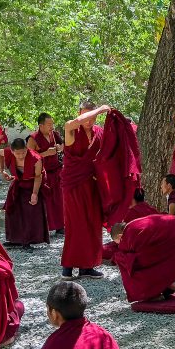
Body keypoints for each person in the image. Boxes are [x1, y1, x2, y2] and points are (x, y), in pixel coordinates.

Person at [61, 103, 109, 280]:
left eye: (93, 117)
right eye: (85, 115)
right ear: (79, 114)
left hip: (92, 184)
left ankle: (87, 267)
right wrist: (100, 110)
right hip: (73, 185)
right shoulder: (70, 128)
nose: (90, 120)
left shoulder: (99, 132)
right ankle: (67, 267)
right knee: (76, 224)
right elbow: (77, 122)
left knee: (93, 224)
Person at [111, 214, 175, 303]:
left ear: (120, 236)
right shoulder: (134, 224)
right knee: (155, 262)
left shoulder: (128, 234)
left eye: (118, 243)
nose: (120, 245)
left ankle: (152, 293)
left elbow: (139, 262)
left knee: (130, 263)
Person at [0, 138, 49, 247]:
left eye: (23, 152)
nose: (21, 156)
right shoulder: (8, 152)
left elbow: (38, 176)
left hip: (32, 184)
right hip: (18, 183)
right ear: (12, 151)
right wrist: (2, 170)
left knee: (30, 212)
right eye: (18, 153)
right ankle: (14, 239)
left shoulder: (36, 158)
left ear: (26, 149)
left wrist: (35, 193)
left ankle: (30, 239)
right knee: (12, 211)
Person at [27, 113, 65, 235]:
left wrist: (60, 148)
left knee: (59, 199)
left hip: (57, 171)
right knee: (46, 202)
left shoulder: (54, 134)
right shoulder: (33, 138)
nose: (51, 127)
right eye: (49, 124)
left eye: (52, 124)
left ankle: (60, 226)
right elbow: (28, 158)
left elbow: (64, 145)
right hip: (43, 173)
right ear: (41, 125)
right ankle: (44, 228)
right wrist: (44, 154)